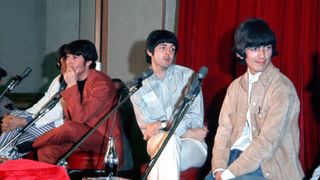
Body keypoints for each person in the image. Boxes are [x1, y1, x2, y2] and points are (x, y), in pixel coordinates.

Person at [205, 18, 304, 180]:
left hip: (267, 165)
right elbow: (223, 133)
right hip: (231, 158)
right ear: (240, 53)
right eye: (254, 48)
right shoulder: (235, 87)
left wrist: (229, 173)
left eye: (267, 47)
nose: (262, 55)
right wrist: (218, 169)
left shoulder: (282, 88)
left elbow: (267, 142)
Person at [130, 30, 208, 179]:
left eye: (172, 49)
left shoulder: (189, 77)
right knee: (169, 142)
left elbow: (195, 119)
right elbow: (148, 130)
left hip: (192, 144)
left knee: (167, 148)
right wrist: (183, 130)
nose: (168, 53)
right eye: (162, 47)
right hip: (157, 141)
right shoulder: (138, 87)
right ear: (149, 51)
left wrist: (161, 125)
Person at [32, 40, 122, 165]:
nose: (69, 61)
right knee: (46, 152)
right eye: (68, 56)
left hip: (104, 140)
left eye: (75, 57)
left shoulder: (102, 84)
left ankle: (31, 144)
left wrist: (72, 85)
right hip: (80, 137)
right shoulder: (68, 81)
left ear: (89, 62)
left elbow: (79, 119)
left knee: (70, 128)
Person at [0, 45, 66, 159]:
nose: (59, 66)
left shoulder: (77, 82)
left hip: (58, 126)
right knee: (16, 143)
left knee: (15, 116)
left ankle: (2, 154)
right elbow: (42, 103)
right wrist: (19, 119)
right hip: (41, 124)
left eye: (61, 62)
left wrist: (24, 120)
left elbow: (59, 111)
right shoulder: (59, 79)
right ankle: (6, 157)